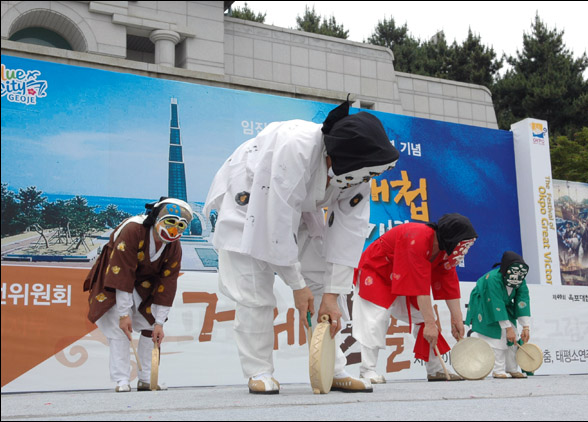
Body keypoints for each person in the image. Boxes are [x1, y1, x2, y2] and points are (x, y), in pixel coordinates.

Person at [204, 101, 399, 394]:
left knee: (322, 282)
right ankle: (259, 371)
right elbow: (274, 221)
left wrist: (332, 294)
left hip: (299, 208)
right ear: (336, 159)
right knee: (255, 292)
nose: (370, 180)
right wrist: (296, 285)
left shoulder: (360, 170)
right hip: (248, 201)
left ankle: (332, 368)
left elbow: (348, 233)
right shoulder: (294, 148)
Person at [84, 197, 193, 392]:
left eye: (181, 226)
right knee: (120, 330)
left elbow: (168, 283)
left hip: (147, 286)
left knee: (152, 330)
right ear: (156, 218)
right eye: (170, 222)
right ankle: (122, 380)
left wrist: (160, 322)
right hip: (116, 279)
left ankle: (147, 378)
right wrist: (124, 314)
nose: (174, 230)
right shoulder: (133, 230)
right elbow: (122, 273)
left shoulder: (174, 246)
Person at [352, 214, 478, 383]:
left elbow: (449, 283)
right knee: (376, 316)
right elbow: (420, 286)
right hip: (377, 270)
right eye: (464, 244)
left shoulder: (443, 252)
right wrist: (430, 323)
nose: (465, 250)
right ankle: (367, 370)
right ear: (453, 238)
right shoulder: (416, 237)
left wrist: (457, 319)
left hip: (403, 276)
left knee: (423, 318)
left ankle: (435, 369)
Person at [465, 251, 531, 379]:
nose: (517, 276)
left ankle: (512, 368)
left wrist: (526, 327)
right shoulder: (494, 279)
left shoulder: (520, 278)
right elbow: (496, 302)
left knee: (514, 337)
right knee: (498, 338)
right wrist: (507, 328)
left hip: (503, 307)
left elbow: (523, 301)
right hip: (485, 303)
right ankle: (498, 369)